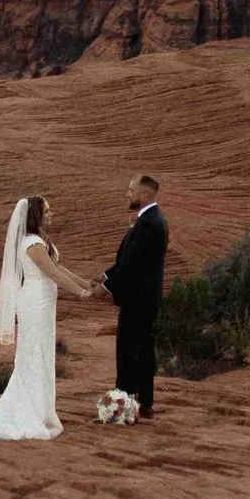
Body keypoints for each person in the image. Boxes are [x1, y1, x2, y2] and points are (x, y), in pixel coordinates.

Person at [0, 194, 94, 442]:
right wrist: (80, 292)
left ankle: (41, 409)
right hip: (34, 303)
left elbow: (58, 267)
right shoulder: (32, 243)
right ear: (35, 215)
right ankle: (28, 412)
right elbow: (52, 273)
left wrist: (85, 282)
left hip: (44, 304)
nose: (51, 214)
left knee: (43, 352)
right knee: (33, 353)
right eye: (47, 211)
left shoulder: (40, 240)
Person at [96, 174, 168, 418]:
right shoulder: (148, 220)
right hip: (140, 298)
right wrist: (104, 278)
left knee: (131, 350)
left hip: (139, 299)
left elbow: (133, 265)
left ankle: (128, 402)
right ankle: (138, 400)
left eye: (131, 189)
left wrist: (105, 288)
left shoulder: (149, 223)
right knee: (137, 349)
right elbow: (126, 260)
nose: (127, 194)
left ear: (145, 194)